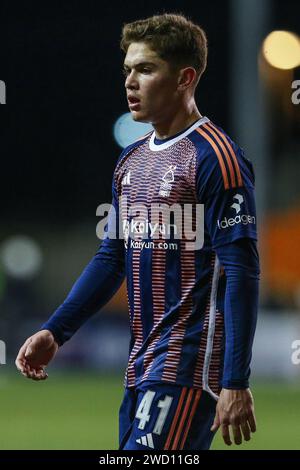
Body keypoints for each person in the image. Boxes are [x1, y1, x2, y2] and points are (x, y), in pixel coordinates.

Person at [16, 13, 260, 450]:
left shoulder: (216, 158)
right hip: (140, 369)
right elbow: (113, 256)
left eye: (145, 69)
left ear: (185, 78)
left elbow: (242, 273)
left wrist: (235, 380)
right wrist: (57, 330)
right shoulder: (131, 160)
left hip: (186, 368)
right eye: (128, 69)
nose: (130, 81)